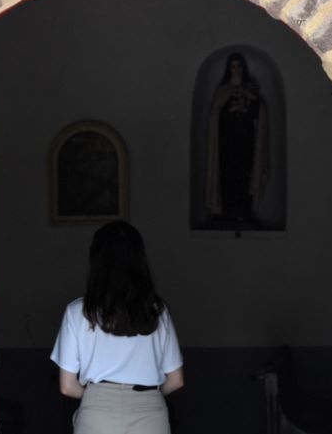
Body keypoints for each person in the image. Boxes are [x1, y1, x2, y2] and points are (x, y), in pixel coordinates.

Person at [51, 221, 184, 434]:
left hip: (97, 412)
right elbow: (175, 380)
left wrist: (99, 399)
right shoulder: (157, 310)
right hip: (150, 411)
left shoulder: (77, 311)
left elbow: (67, 386)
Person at [205, 52, 269, 224]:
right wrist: (230, 111)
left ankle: (244, 211)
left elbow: (259, 111)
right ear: (229, 69)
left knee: (245, 174)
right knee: (227, 175)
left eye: (239, 66)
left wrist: (250, 101)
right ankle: (226, 211)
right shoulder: (223, 90)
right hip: (227, 141)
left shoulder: (250, 89)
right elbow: (216, 114)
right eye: (233, 67)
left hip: (246, 140)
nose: (236, 70)